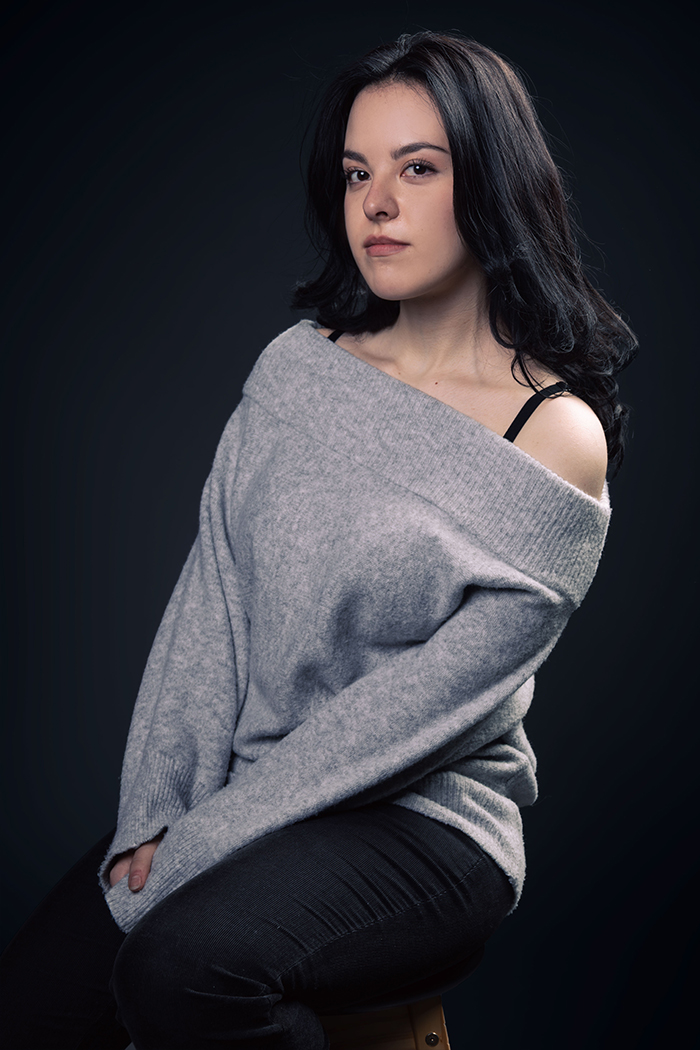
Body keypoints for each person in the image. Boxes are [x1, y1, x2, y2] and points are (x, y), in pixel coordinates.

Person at [0, 29, 636, 1050]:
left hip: (424, 826)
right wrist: (156, 812)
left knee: (183, 969)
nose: (375, 204)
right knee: (31, 1007)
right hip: (244, 796)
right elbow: (212, 605)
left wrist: (200, 843)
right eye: (355, 173)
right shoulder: (296, 372)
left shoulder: (551, 439)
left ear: (491, 183)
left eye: (417, 169)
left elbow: (405, 719)